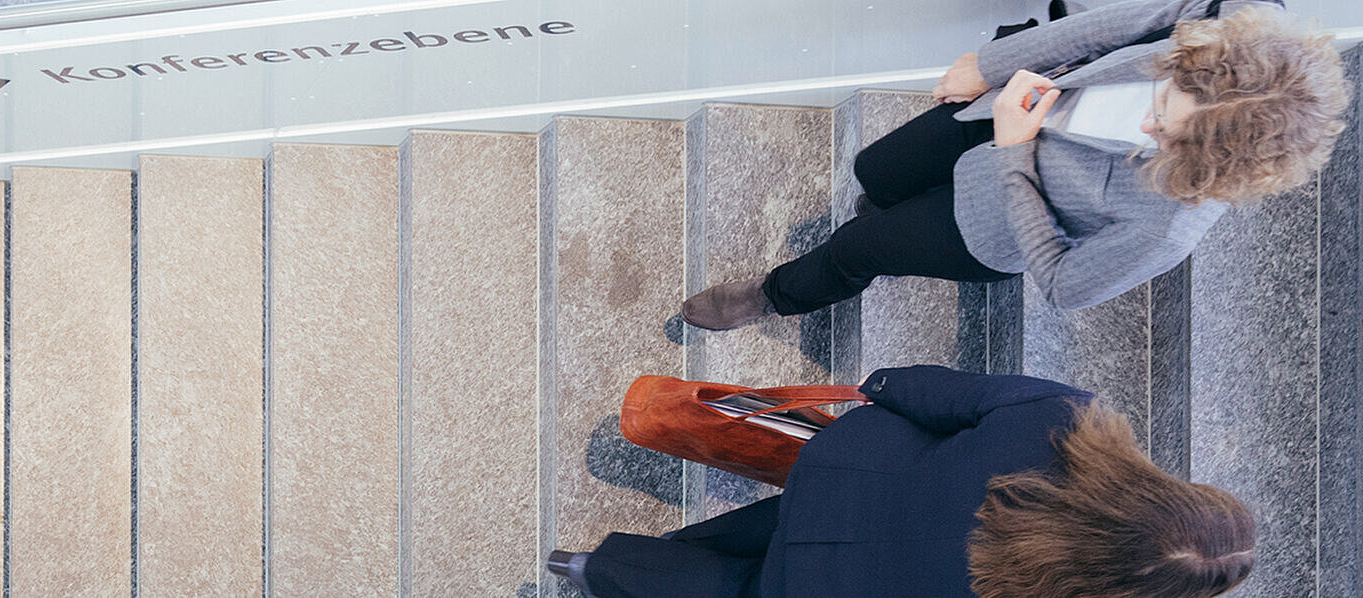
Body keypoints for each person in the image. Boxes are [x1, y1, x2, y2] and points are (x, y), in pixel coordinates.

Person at [681, 0, 1352, 330]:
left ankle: (778, 294)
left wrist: (1013, 152)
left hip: (993, 216)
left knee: (859, 245)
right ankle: (891, 216)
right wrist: (990, 67)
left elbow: (1063, 283)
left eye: (1167, 134)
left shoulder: (1167, 229)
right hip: (998, 109)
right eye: (1163, 96)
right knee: (875, 170)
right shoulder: (1219, 22)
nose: (1147, 120)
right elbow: (1107, 29)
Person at [547, 366, 1257, 598]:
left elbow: (930, 393)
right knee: (738, 587)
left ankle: (649, 552)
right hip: (824, 587)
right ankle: (592, 568)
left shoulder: (1069, 417)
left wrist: (878, 389)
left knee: (763, 526)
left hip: (841, 474)